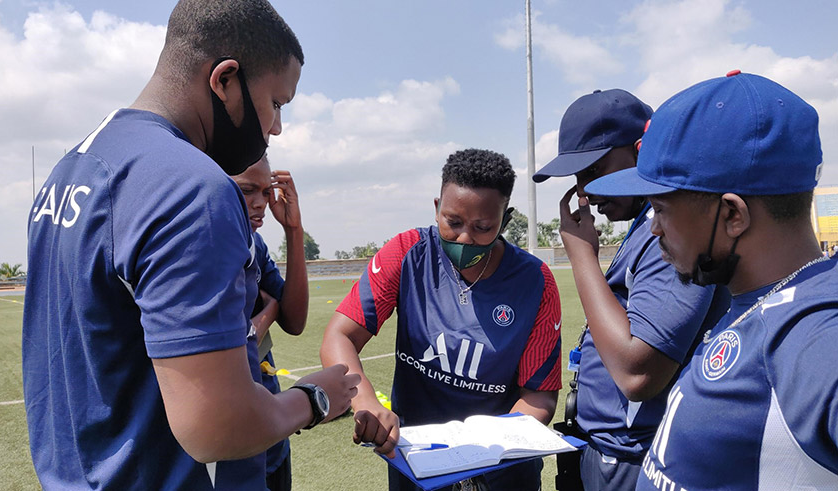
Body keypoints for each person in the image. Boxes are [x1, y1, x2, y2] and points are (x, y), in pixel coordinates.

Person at [22, 1, 359, 489]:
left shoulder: (71, 166)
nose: (277, 127)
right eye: (277, 103)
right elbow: (217, 428)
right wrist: (315, 398)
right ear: (224, 80)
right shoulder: (190, 187)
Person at [584, 71, 838, 490]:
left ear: (733, 215)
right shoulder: (758, 298)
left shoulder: (815, 333)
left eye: (661, 209)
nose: (654, 229)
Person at [320, 149, 563, 491]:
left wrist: (484, 450)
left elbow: (540, 396)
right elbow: (339, 337)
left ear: (505, 221)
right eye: (453, 222)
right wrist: (367, 404)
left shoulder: (536, 282)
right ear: (436, 209)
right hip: (417, 464)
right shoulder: (407, 253)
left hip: (501, 472)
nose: (465, 238)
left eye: (483, 227)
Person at [533, 89, 730, 490]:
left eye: (594, 170)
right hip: (615, 451)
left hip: (640, 457)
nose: (584, 192)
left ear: (641, 151)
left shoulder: (669, 236)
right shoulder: (646, 224)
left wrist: (582, 255)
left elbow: (637, 373)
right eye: (578, 178)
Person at [232, 155, 309, 490]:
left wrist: (293, 229)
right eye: (248, 190)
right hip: (229, 428)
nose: (261, 203)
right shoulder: (197, 245)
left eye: (266, 192)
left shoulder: (255, 244)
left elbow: (295, 320)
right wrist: (264, 317)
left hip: (270, 424)